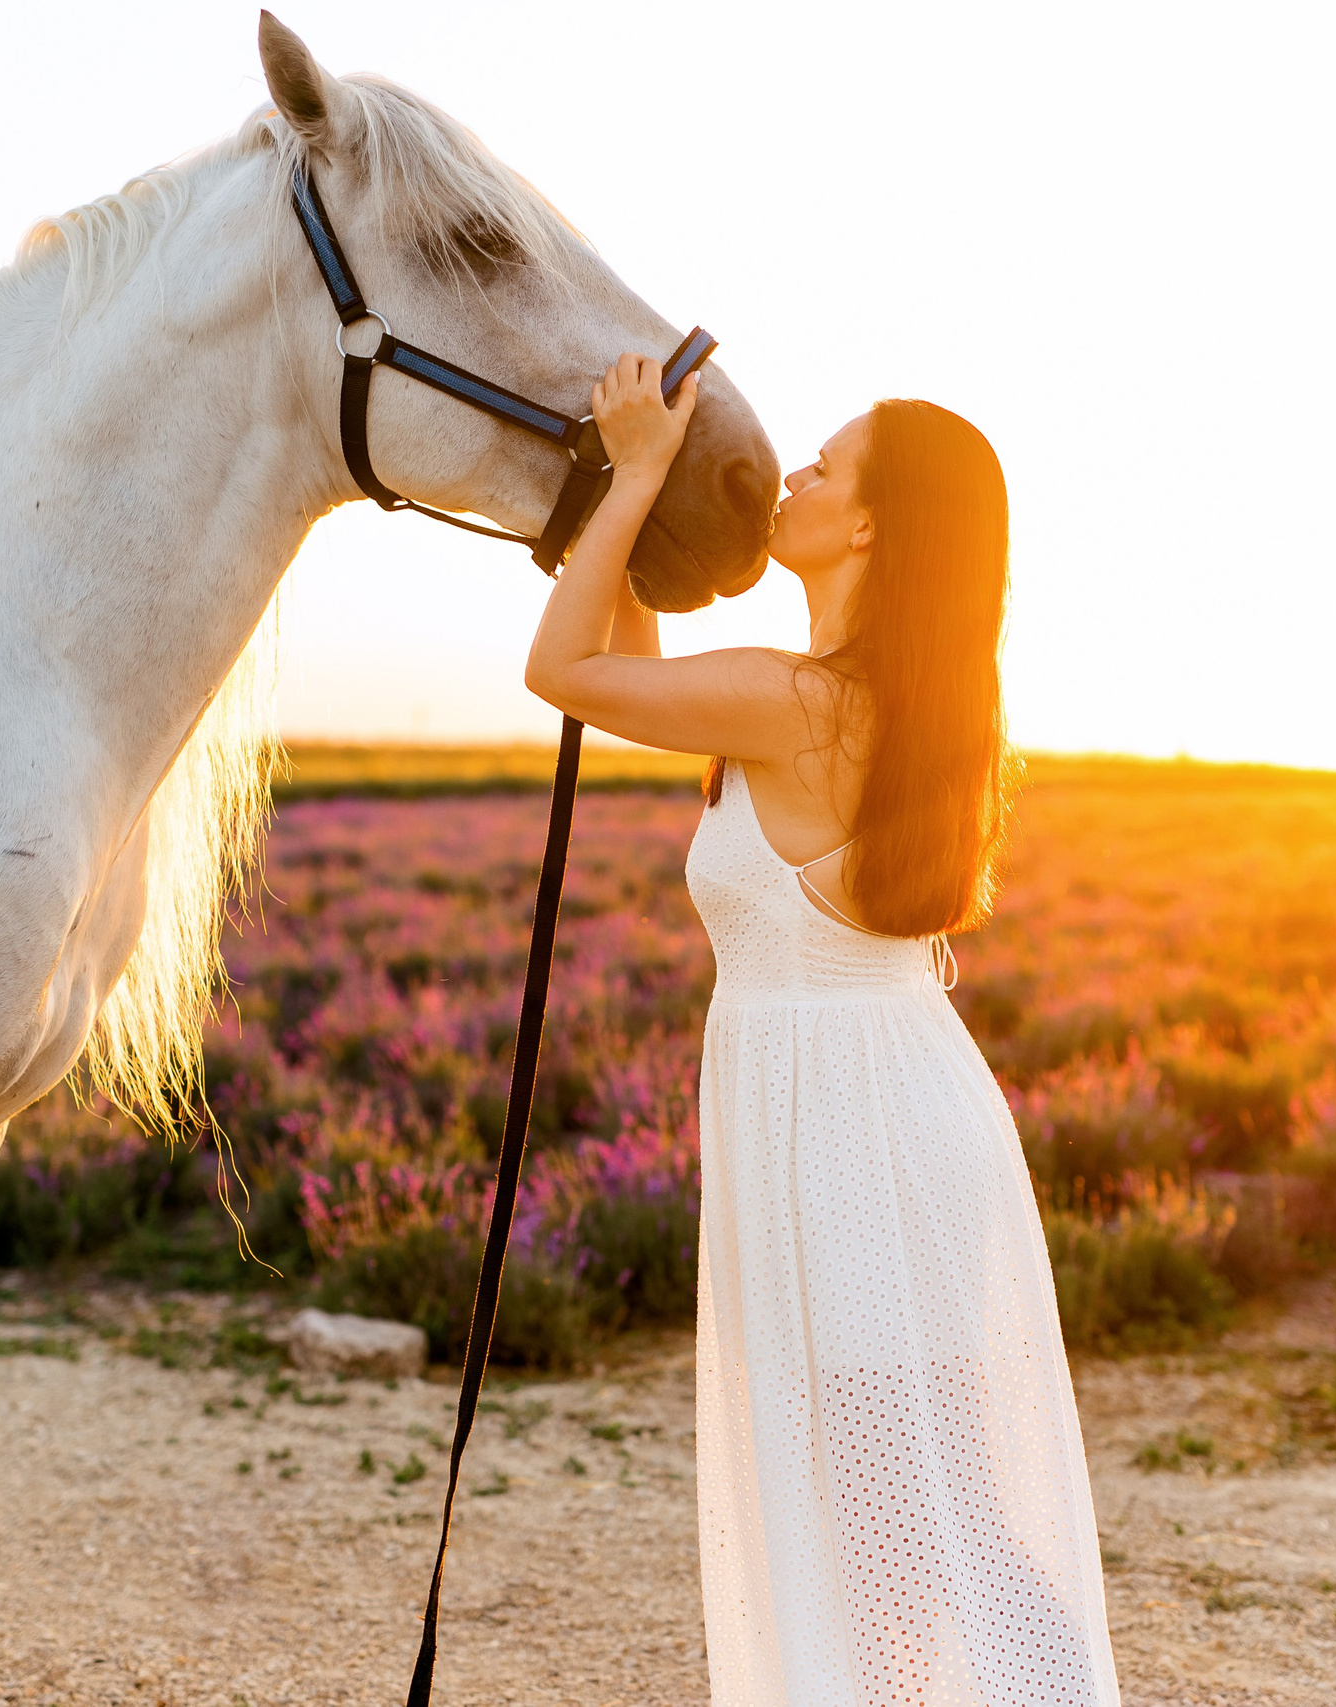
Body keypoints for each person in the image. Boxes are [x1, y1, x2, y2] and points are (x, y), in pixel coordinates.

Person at [525, 357, 1121, 1705]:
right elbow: (626, 668)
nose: (795, 471)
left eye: (829, 467)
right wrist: (637, 495)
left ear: (870, 530)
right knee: (894, 1518)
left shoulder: (800, 703)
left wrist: (628, 481)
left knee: (922, 1509)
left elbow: (563, 669)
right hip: (869, 1107)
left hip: (852, 1135)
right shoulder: (838, 697)